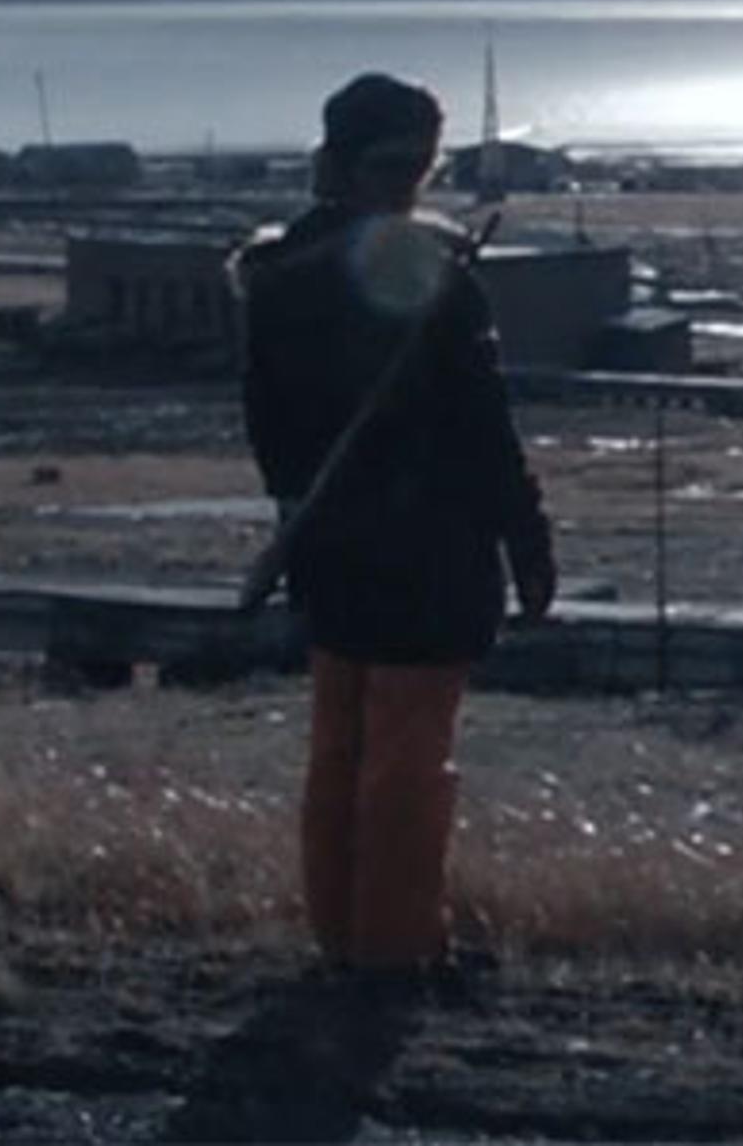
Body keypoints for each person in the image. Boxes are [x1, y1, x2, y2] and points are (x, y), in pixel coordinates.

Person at [235, 71, 556, 989]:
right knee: (409, 760)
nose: (413, 179)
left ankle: (343, 937)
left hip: (326, 542)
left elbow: (267, 426)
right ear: (358, 164)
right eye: (402, 162)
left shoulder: (275, 277)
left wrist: (299, 509)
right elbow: (484, 430)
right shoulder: (431, 277)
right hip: (430, 548)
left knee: (342, 746)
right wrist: (527, 540)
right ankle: (396, 949)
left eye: (421, 162)